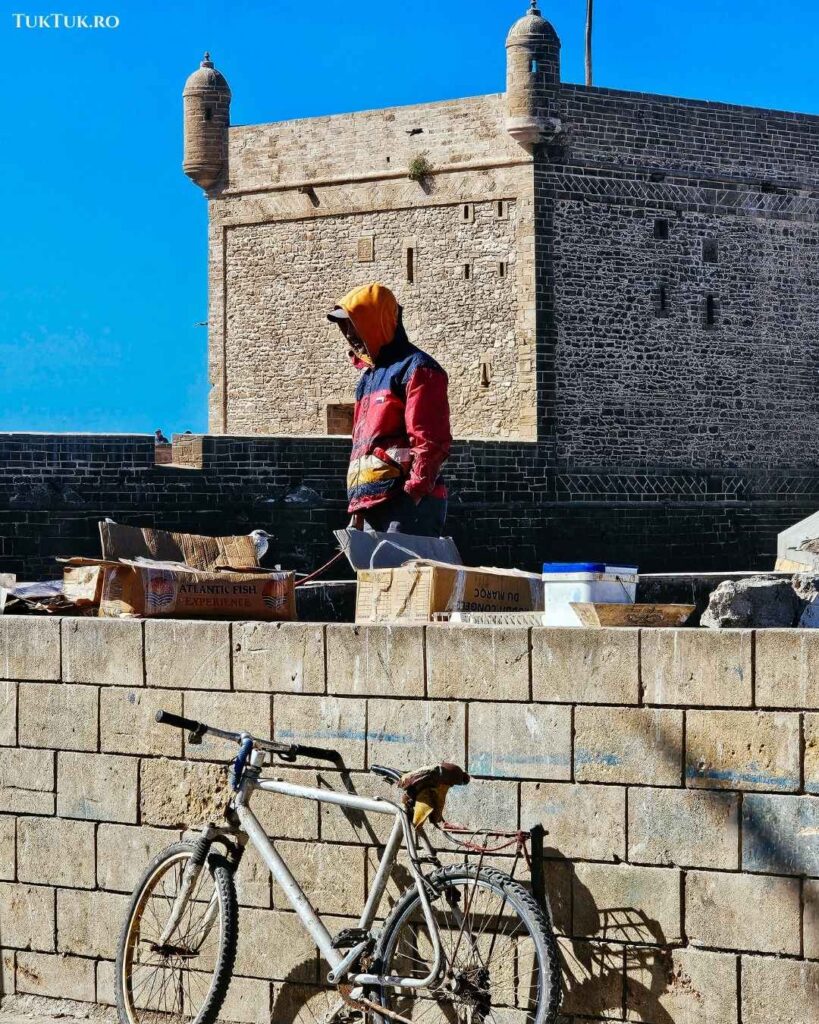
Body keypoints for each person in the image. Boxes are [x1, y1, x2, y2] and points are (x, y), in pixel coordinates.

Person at [327, 283, 451, 537]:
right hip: (373, 504)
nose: (349, 334)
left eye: (353, 324)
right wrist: (357, 509)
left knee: (407, 576)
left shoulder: (419, 370)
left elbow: (430, 440)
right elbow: (362, 447)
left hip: (407, 502)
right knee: (379, 577)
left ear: (375, 322)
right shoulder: (368, 378)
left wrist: (414, 492)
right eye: (345, 327)